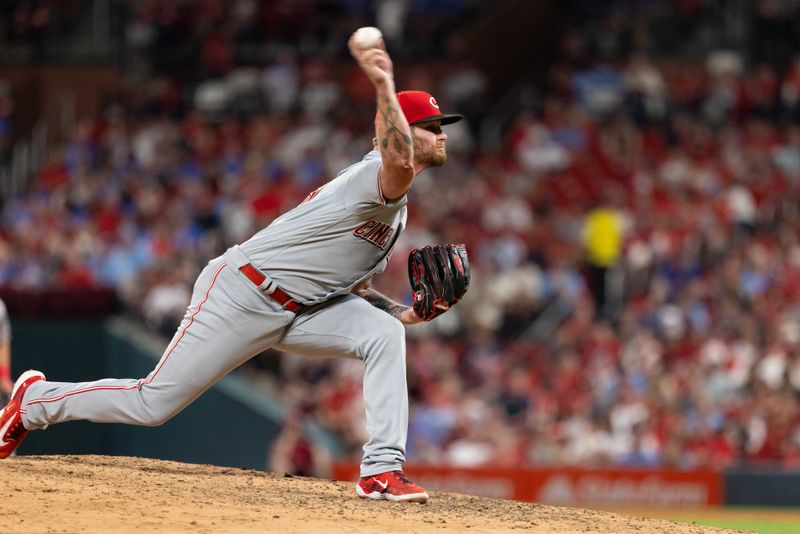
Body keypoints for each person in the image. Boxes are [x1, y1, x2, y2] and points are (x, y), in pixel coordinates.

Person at [0, 32, 469, 504]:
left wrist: (403, 313)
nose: (442, 132)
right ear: (401, 132)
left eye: (440, 124)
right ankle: (34, 403)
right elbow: (396, 152)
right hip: (243, 292)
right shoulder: (379, 174)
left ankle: (382, 471)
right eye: (429, 125)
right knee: (152, 403)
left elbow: (355, 285)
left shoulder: (395, 208)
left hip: (304, 309)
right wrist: (383, 83)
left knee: (385, 335)